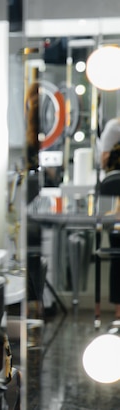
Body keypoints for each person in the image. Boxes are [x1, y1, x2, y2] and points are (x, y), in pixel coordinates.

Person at [99, 117, 120, 320]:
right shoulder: (114, 128)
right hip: (116, 208)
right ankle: (118, 313)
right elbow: (105, 163)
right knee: (118, 258)